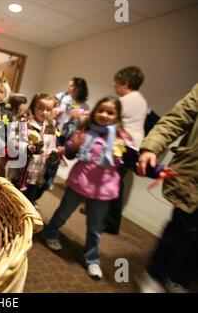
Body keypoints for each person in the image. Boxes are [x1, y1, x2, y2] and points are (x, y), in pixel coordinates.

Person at [42, 96, 162, 279]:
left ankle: (92, 260)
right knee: (63, 212)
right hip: (80, 182)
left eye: (110, 112)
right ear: (95, 111)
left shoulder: (123, 138)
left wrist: (157, 171)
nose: (105, 115)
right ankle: (50, 232)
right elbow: (70, 153)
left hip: (103, 190)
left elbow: (133, 163)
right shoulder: (85, 130)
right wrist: (73, 145)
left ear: (118, 116)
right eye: (101, 110)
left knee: (96, 227)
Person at [138, 83, 198, 293]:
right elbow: (176, 119)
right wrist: (151, 146)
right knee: (179, 229)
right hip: (193, 181)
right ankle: (155, 274)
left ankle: (180, 280)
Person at [104, 66, 148, 234]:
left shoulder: (124, 101)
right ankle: (104, 216)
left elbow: (106, 120)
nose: (115, 87)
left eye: (117, 83)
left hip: (123, 148)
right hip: (133, 147)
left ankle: (110, 223)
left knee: (113, 182)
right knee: (114, 182)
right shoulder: (141, 100)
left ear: (126, 83)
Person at [7, 94, 58, 208]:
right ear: (33, 107)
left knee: (28, 200)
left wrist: (53, 154)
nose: (44, 112)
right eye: (40, 108)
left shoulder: (50, 126)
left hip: (38, 171)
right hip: (20, 170)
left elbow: (51, 146)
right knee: (13, 199)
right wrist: (28, 147)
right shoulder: (24, 122)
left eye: (48, 110)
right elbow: (12, 142)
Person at [45, 78, 90, 191]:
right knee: (49, 153)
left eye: (72, 86)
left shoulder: (84, 106)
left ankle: (49, 178)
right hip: (56, 129)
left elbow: (83, 124)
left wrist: (80, 117)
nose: (69, 88)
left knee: (57, 157)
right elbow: (50, 106)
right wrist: (54, 111)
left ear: (79, 89)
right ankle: (45, 177)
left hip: (69, 135)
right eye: (69, 85)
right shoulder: (62, 96)